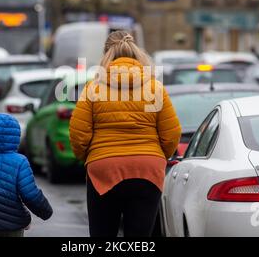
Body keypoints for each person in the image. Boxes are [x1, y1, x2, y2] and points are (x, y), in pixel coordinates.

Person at [69, 30, 182, 237]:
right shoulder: (155, 88)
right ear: (137, 54)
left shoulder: (93, 89)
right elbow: (172, 134)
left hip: (103, 167)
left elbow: (78, 134)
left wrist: (90, 157)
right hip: (148, 168)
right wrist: (157, 156)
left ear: (106, 55)